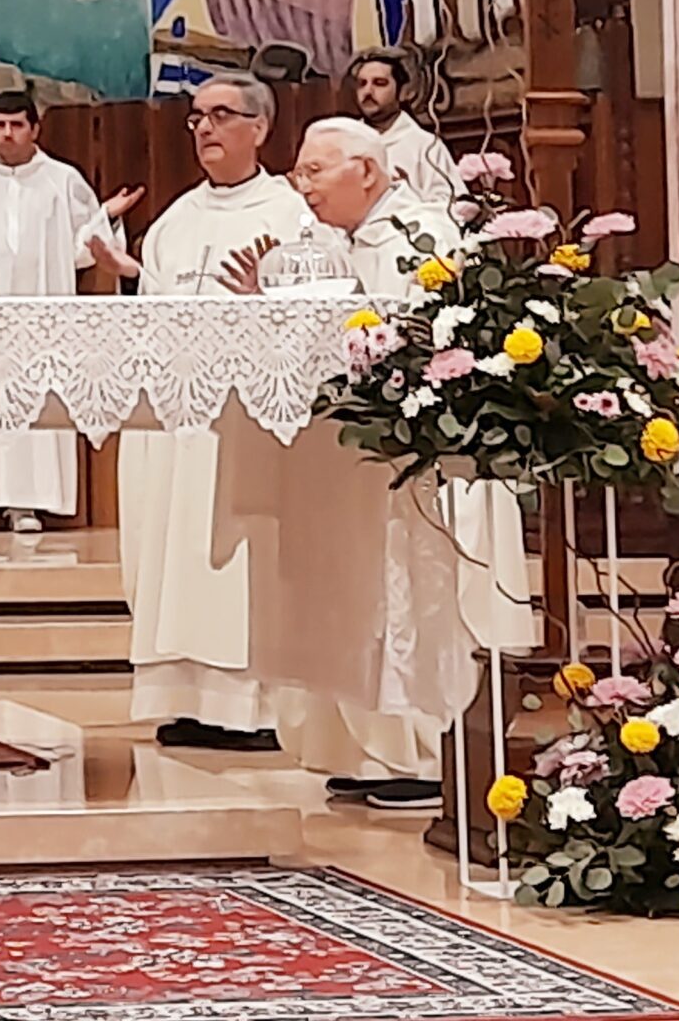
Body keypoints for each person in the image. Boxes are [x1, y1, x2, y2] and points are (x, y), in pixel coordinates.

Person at [276, 117, 534, 805]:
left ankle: (425, 756)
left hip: (429, 460)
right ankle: (368, 754)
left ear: (366, 170)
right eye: (300, 174)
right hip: (365, 460)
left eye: (314, 171)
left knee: (416, 595)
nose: (303, 187)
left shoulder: (424, 239)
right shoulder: (337, 244)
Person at [115, 71, 317, 752]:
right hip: (180, 425)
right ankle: (188, 699)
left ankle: (255, 709)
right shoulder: (175, 219)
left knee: (239, 566)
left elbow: (318, 314)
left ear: (260, 127)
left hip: (246, 422)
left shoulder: (291, 217)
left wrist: (268, 300)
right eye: (197, 116)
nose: (204, 127)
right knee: (176, 557)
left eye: (221, 114)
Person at [0, 91, 138, 535]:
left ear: (35, 129)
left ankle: (26, 504)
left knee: (35, 401)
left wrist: (106, 219)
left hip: (43, 314)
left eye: (17, 124)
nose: (8, 134)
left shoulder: (62, 180)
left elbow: (84, 245)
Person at [347, 48, 461, 210]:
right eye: (362, 84)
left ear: (403, 92)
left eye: (379, 83)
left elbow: (453, 205)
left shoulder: (426, 146)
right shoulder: (344, 142)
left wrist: (405, 194)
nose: (368, 91)